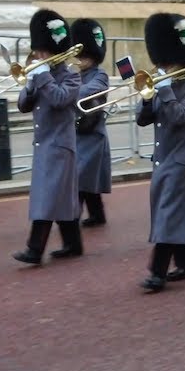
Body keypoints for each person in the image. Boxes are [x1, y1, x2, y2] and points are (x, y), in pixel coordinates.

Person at [134, 14, 185, 290]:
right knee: (172, 213)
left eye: (168, 63)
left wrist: (164, 92)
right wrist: (149, 98)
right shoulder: (160, 86)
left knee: (167, 214)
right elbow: (142, 119)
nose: (163, 69)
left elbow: (180, 117)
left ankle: (157, 272)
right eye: (161, 64)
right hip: (163, 160)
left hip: (182, 161)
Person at [13, 9, 83, 264]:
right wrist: (30, 84)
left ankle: (34, 249)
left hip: (60, 145)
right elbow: (23, 105)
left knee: (47, 196)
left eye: (43, 52)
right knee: (60, 195)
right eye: (38, 51)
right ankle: (73, 244)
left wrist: (41, 76)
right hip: (44, 143)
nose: (39, 56)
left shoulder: (71, 75)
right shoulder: (40, 75)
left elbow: (60, 99)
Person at [70, 18, 112, 227]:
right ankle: (97, 215)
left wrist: (67, 90)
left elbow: (89, 91)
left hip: (92, 134)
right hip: (80, 132)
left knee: (79, 177)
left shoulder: (100, 75)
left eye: (84, 56)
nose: (80, 59)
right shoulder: (78, 74)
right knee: (86, 180)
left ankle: (70, 219)